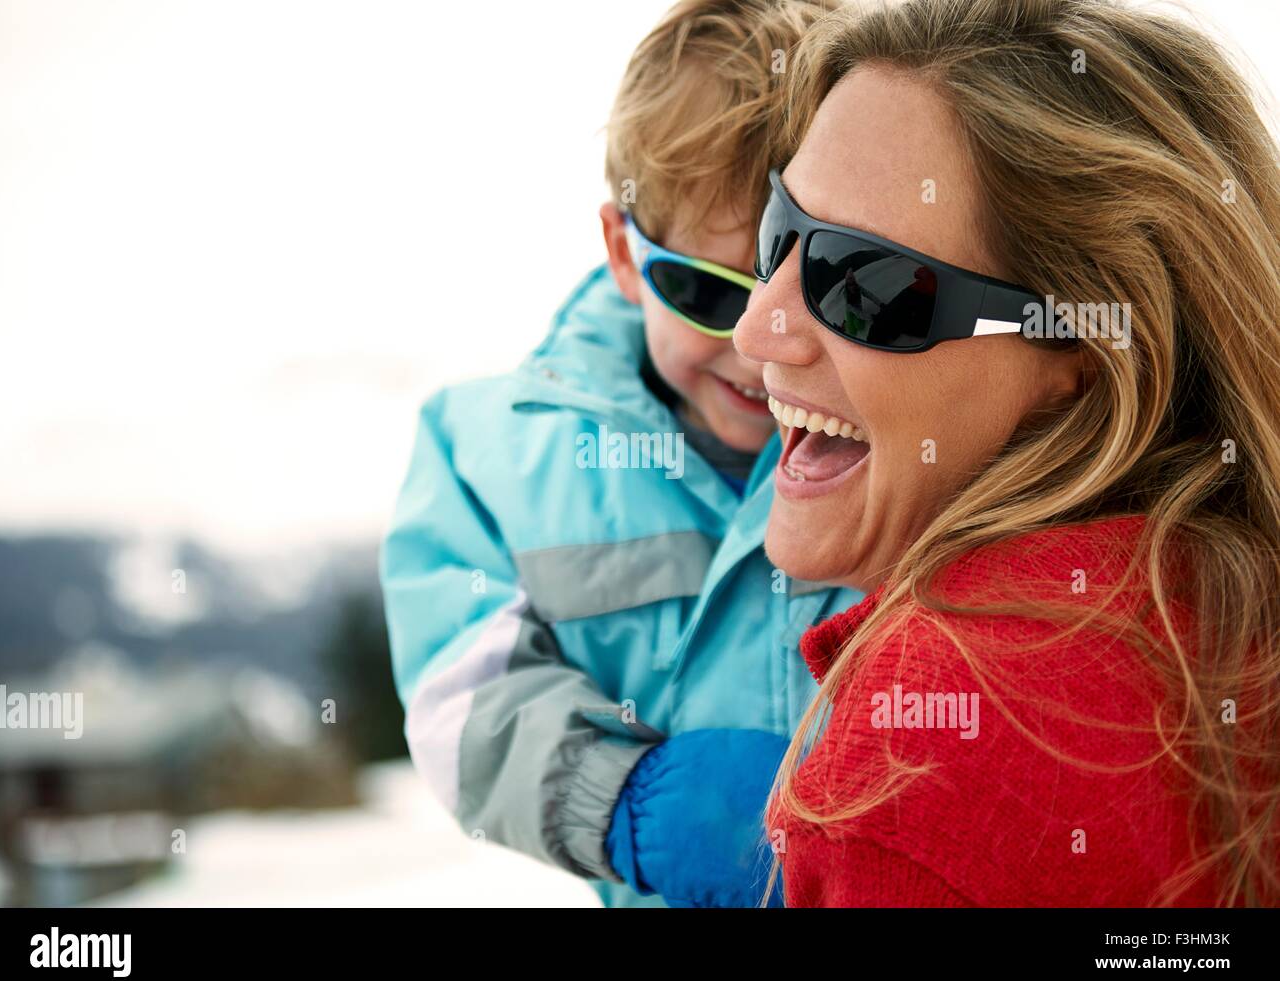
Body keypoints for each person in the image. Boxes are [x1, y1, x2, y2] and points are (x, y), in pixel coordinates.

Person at [733, 0, 1280, 906]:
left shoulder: (919, 765)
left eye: (864, 284)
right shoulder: (1221, 602)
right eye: (777, 233)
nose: (757, 327)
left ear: (1089, 350)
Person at [381, 0, 858, 908]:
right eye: (704, 292)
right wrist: (623, 797)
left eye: (821, 293)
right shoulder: (496, 460)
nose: (761, 345)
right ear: (627, 254)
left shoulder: (910, 436)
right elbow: (461, 692)